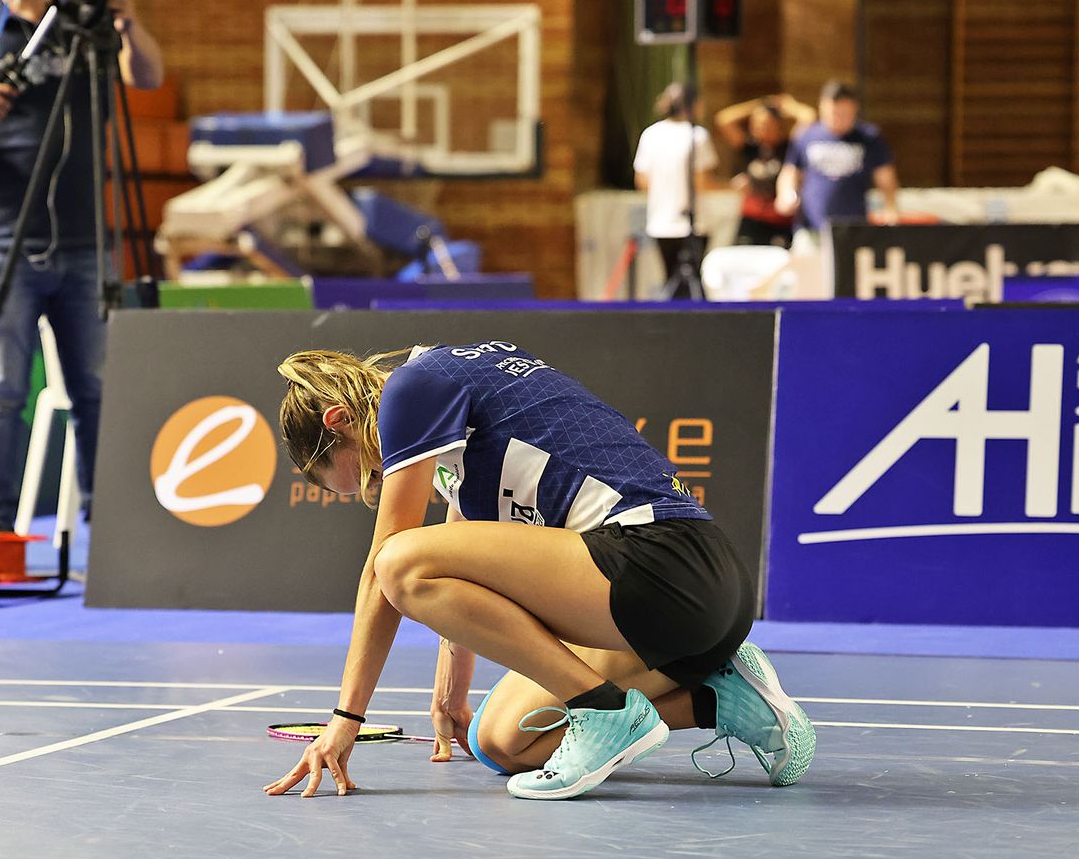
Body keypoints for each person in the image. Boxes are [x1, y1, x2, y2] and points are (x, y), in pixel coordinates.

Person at [263, 343, 816, 801]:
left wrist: (345, 719)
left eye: (369, 473)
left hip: (666, 560)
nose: (378, 482)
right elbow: (467, 567)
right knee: (503, 742)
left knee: (398, 560)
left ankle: (602, 709)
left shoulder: (413, 385)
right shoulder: (457, 429)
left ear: (338, 420)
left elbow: (386, 571)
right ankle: (724, 698)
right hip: (681, 607)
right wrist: (449, 696)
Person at [0, 0, 164, 531]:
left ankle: (107, 532)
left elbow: (146, 77)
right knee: (0, 391)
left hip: (86, 242)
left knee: (96, 390)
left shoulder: (87, 26)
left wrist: (129, 28)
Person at [778, 80, 899, 236]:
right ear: (822, 107)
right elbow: (791, 170)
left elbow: (886, 177)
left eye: (843, 114)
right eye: (832, 113)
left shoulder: (869, 137)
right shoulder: (806, 135)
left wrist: (890, 207)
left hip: (853, 229)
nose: (837, 119)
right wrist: (787, 193)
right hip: (811, 227)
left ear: (854, 110)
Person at [633, 82, 720, 298]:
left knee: (670, 279)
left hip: (660, 221)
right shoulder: (696, 136)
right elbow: (703, 182)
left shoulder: (650, 135)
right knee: (692, 283)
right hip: (693, 222)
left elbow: (642, 181)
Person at [714, 93, 817, 247]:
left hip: (780, 222)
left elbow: (809, 116)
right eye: (755, 123)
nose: (759, 128)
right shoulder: (750, 148)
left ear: (777, 124)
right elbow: (723, 119)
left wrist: (787, 105)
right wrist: (759, 103)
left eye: (765, 123)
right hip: (752, 219)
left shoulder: (790, 148)